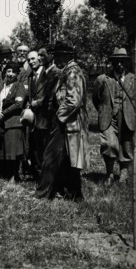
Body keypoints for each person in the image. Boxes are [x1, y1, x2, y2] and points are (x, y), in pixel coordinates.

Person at [36, 40, 89, 201]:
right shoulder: (69, 71)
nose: (56, 60)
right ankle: (75, 194)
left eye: (58, 56)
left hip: (66, 122)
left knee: (50, 157)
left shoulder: (72, 73)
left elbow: (73, 100)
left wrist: (58, 118)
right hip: (68, 121)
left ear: (66, 56)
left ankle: (43, 195)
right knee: (68, 160)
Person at [93, 47, 135, 185]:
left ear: (126, 63)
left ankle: (124, 174)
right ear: (112, 63)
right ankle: (109, 174)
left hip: (128, 117)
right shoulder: (103, 79)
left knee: (126, 146)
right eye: (116, 61)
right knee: (109, 144)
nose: (119, 64)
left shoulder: (133, 79)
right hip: (108, 118)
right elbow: (96, 98)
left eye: (122, 61)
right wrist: (103, 110)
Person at [0, 62, 26, 181]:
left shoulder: (19, 86)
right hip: (1, 122)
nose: (10, 74)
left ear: (17, 74)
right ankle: (3, 174)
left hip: (13, 123)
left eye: (13, 72)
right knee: (2, 150)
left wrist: (3, 112)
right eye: (8, 71)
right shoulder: (1, 86)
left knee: (12, 151)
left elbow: (18, 104)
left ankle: (13, 176)